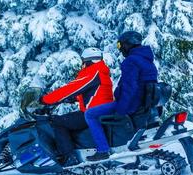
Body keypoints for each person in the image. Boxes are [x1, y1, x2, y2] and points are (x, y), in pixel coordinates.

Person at [85, 31, 158, 161]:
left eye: (120, 46)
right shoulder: (147, 61)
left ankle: (103, 150)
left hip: (131, 104)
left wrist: (121, 110)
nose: (120, 50)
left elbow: (130, 89)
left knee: (90, 114)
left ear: (127, 45)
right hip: (141, 103)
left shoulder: (131, 61)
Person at [40, 47, 114, 166]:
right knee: (68, 119)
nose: (82, 65)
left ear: (87, 61)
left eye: (83, 61)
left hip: (92, 112)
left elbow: (71, 88)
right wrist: (74, 99)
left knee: (58, 122)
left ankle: (69, 157)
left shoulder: (93, 72)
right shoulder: (101, 71)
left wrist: (45, 99)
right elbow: (95, 93)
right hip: (100, 110)